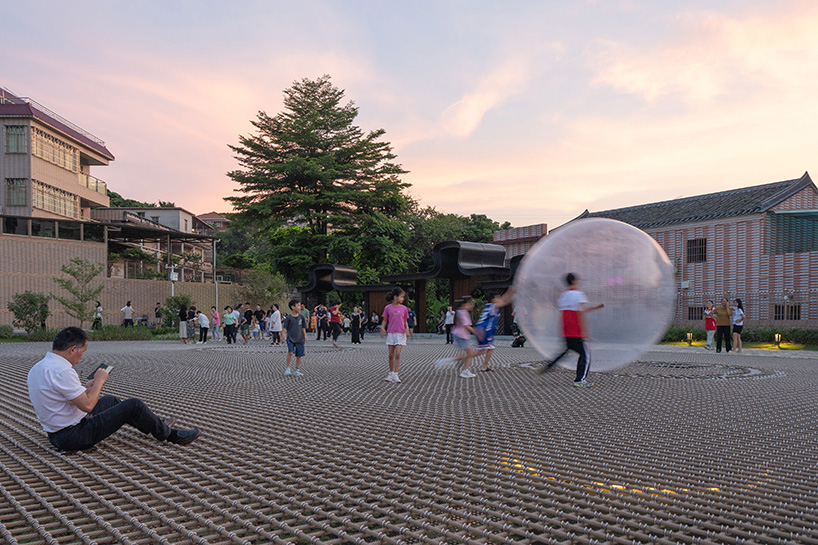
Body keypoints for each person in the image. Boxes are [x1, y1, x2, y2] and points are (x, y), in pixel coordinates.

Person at [27, 327, 199, 452]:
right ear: (73, 349)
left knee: (111, 401)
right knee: (134, 405)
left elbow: (59, 397)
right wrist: (99, 382)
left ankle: (157, 425)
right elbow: (87, 406)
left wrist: (85, 389)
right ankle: (170, 435)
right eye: (83, 351)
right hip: (74, 436)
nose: (82, 356)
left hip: (57, 434)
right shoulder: (62, 370)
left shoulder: (39, 367)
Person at [538, 273, 605, 387]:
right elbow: (580, 313)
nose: (579, 282)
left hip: (566, 330)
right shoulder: (579, 294)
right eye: (578, 281)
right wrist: (584, 332)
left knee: (567, 351)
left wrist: (595, 307)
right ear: (574, 281)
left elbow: (567, 313)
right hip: (576, 330)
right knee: (585, 355)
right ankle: (580, 380)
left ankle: (549, 366)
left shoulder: (563, 296)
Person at [475, 289, 515, 372]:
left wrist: (511, 291)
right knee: (491, 348)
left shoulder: (488, 306)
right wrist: (513, 293)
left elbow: (504, 299)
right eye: (498, 298)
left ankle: (465, 358)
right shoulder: (494, 306)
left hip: (480, 329)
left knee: (481, 351)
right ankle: (484, 366)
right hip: (486, 330)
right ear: (493, 300)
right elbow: (505, 302)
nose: (500, 299)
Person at [381, 287, 410, 383]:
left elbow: (405, 321)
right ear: (395, 297)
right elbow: (385, 320)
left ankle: (396, 374)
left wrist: (407, 329)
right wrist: (382, 328)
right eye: (401, 297)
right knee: (391, 354)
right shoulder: (387, 308)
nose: (403, 299)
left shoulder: (404, 308)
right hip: (391, 333)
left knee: (397, 353)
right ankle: (391, 373)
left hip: (400, 334)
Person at [451, 296, 479, 378]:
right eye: (470, 304)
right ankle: (464, 370)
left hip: (460, 335)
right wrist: (476, 332)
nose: (472, 306)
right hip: (461, 335)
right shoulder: (463, 312)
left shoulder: (459, 311)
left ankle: (463, 368)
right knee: (471, 353)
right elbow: (466, 325)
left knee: (468, 353)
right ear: (465, 304)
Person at [282, 300, 308, 377]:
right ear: (293, 307)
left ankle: (297, 370)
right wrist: (283, 336)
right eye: (298, 305)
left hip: (300, 339)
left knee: (299, 355)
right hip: (290, 338)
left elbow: (303, 327)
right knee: (290, 352)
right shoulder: (288, 318)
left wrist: (305, 335)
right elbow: (285, 328)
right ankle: (288, 368)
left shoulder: (301, 317)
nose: (300, 307)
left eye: (300, 305)